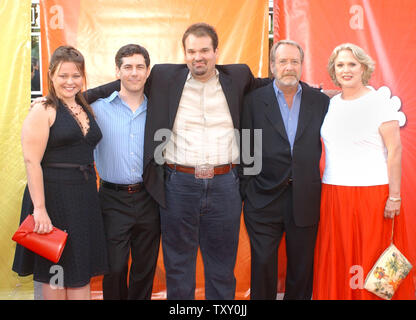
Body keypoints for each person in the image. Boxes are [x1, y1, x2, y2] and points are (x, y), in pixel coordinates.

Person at [86, 22, 270, 300]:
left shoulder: (239, 75)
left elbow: (271, 85)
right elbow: (125, 81)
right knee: (178, 266)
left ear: (216, 52)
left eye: (205, 50)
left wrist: (311, 90)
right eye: (192, 51)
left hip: (225, 185)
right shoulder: (163, 76)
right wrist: (74, 99)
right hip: (178, 185)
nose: (199, 57)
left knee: (222, 267)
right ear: (184, 53)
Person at [313, 43, 415, 299]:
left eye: (351, 64)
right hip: (334, 193)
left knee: (372, 259)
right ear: (333, 71)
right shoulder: (331, 104)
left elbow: (395, 151)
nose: (346, 70)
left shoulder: (379, 102)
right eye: (340, 65)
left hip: (373, 195)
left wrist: (394, 196)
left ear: (363, 68)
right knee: (340, 256)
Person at [12, 46, 108, 300]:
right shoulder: (43, 110)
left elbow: (104, 89)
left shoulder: (83, 104)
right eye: (63, 76)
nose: (70, 81)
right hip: (53, 199)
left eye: (76, 75)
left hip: (84, 197)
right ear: (51, 75)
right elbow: (32, 162)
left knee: (80, 271)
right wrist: (40, 209)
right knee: (56, 272)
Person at [240, 40, 329, 300]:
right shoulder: (254, 101)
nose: (289, 67)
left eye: (294, 62)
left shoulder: (320, 102)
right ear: (272, 66)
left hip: (305, 198)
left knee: (301, 269)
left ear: (302, 65)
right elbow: (248, 149)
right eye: (283, 62)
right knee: (264, 266)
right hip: (263, 199)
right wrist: (249, 190)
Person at [91, 44, 160, 300]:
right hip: (111, 199)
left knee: (144, 268)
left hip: (149, 197)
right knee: (115, 267)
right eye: (128, 67)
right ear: (117, 71)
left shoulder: (158, 110)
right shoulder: (97, 109)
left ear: (147, 71)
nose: (134, 73)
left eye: (140, 67)